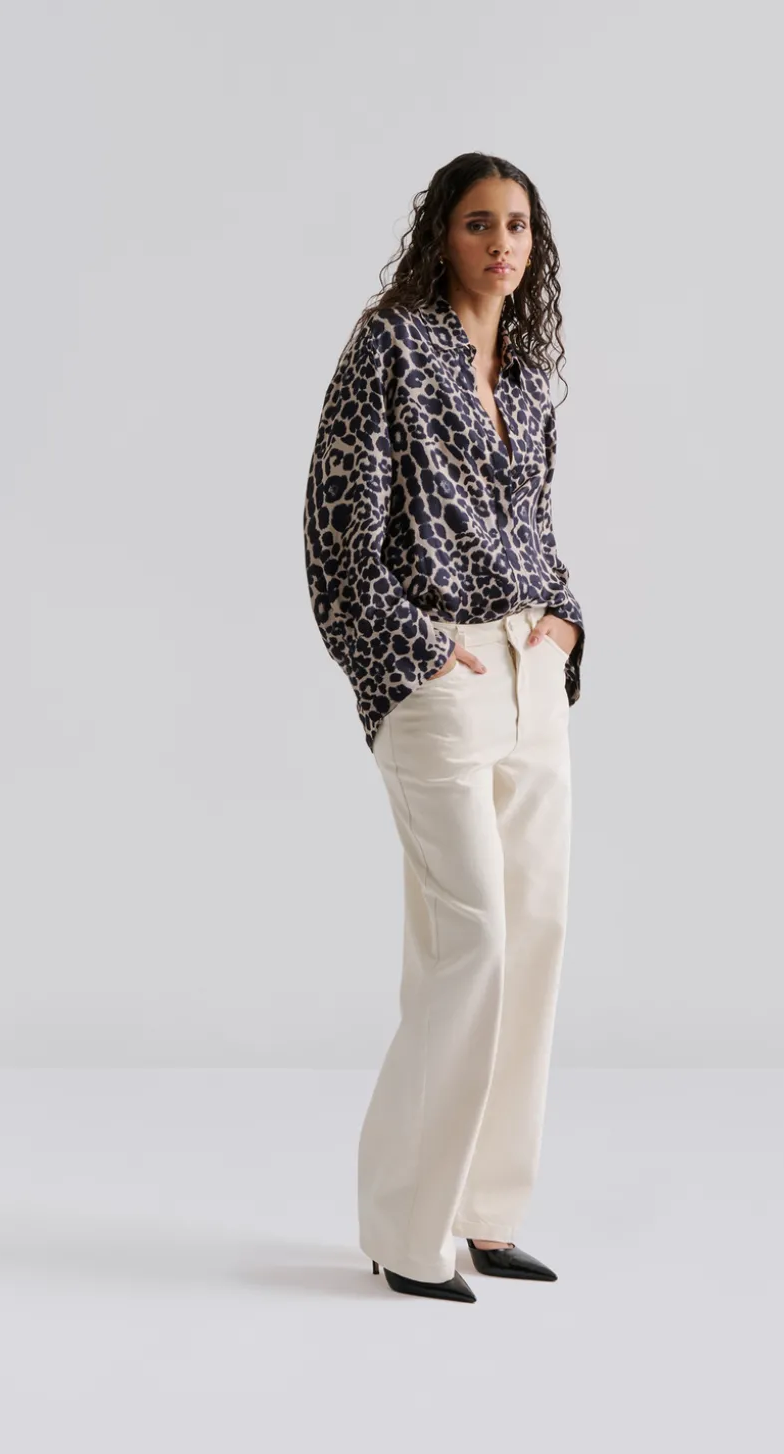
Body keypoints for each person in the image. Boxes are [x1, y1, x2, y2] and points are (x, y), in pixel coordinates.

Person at [302, 152, 585, 1303]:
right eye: (478, 222)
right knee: (469, 941)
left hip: (529, 671)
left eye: (517, 224)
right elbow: (337, 538)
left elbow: (534, 524)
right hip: (437, 672)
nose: (500, 243)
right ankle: (404, 1227)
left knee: (535, 932)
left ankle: (485, 1212)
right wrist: (415, 651)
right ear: (440, 234)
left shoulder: (527, 380)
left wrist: (564, 617)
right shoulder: (389, 348)